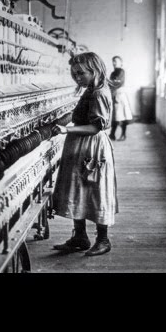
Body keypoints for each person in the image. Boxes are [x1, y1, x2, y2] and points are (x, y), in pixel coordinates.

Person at [51, 52, 119, 256]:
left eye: (81, 73)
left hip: (92, 147)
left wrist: (66, 130)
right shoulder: (91, 90)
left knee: (96, 190)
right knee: (78, 189)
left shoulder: (98, 93)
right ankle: (80, 237)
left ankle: (103, 240)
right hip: (81, 146)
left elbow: (95, 127)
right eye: (74, 73)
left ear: (95, 70)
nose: (77, 77)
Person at [109, 56, 133, 141]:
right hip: (114, 95)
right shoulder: (112, 73)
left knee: (122, 116)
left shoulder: (121, 71)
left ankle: (123, 134)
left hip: (120, 95)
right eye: (113, 61)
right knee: (115, 116)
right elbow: (111, 84)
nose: (114, 63)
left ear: (121, 63)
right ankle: (112, 134)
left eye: (116, 61)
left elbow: (117, 83)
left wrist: (111, 83)